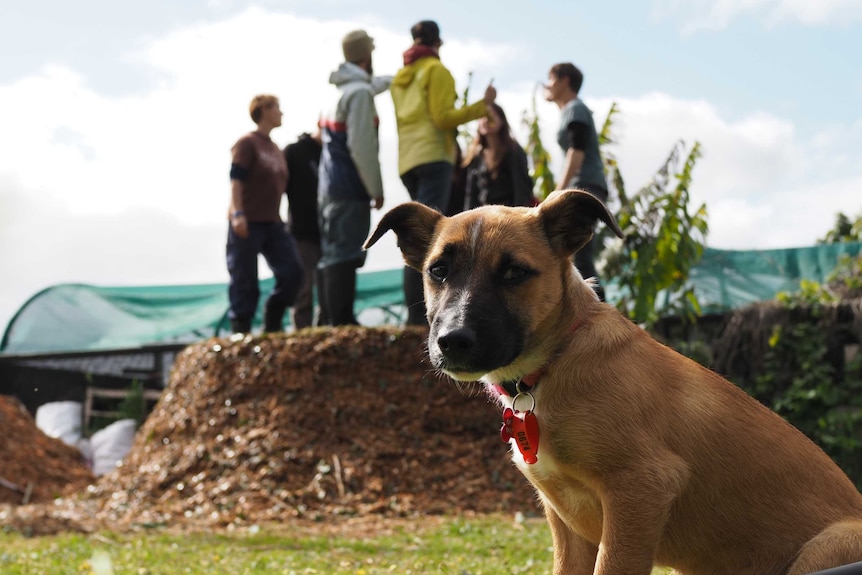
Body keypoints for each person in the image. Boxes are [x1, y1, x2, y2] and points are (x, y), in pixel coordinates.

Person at [390, 19, 497, 325]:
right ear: (438, 44)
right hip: (433, 156)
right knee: (430, 240)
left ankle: (414, 315)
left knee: (416, 237)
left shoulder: (400, 78)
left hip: (407, 161)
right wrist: (483, 106)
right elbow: (442, 117)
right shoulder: (436, 70)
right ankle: (418, 318)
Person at [317, 29, 390, 326]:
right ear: (366, 55)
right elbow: (361, 146)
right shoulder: (359, 94)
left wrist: (396, 79)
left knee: (332, 253)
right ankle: (342, 320)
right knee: (345, 255)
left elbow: (373, 84)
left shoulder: (340, 93)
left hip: (329, 188)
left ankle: (327, 319)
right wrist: (376, 188)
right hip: (350, 186)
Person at [227, 95, 304, 334]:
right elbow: (236, 181)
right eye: (277, 108)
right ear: (263, 110)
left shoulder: (276, 149)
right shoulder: (247, 143)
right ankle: (242, 329)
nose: (281, 113)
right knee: (244, 278)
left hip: (272, 223)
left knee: (293, 271)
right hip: (247, 220)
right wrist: (238, 213)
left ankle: (272, 321)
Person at [544, 62, 610, 301]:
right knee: (578, 254)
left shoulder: (575, 109)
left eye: (551, 79)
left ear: (564, 81)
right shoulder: (570, 111)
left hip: (585, 186)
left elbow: (577, 151)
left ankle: (598, 311)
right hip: (586, 183)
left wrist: (559, 191)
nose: (547, 85)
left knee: (578, 253)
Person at [283, 128, 323, 329]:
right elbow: (278, 185)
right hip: (301, 231)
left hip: (327, 233)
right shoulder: (294, 152)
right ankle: (302, 331)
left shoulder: (333, 154)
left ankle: (324, 329)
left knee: (326, 289)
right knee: (304, 288)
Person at [461, 103, 534, 210]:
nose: (486, 120)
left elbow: (522, 189)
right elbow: (471, 195)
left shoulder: (513, 151)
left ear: (502, 121)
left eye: (492, 115)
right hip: (483, 215)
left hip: (508, 213)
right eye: (483, 116)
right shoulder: (476, 156)